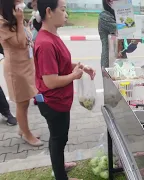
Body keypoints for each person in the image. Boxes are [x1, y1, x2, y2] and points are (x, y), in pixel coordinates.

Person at [33, 0, 95, 179]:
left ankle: (59, 164)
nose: (66, 14)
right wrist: (73, 76)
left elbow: (62, 65)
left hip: (59, 100)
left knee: (59, 138)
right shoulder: (45, 43)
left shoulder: (52, 36)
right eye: (63, 10)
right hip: (53, 102)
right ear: (49, 12)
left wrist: (81, 68)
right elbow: (50, 80)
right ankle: (60, 175)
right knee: (58, 139)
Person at [0, 0, 43, 146]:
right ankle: (27, 134)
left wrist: (20, 21)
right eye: (18, 1)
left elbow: (26, 38)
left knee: (26, 99)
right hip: (15, 69)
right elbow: (19, 42)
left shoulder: (14, 17)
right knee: (21, 102)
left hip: (25, 64)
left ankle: (22, 129)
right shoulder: (2, 22)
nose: (22, 3)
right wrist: (19, 21)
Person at [98, 0, 137, 68]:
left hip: (122, 61)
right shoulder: (104, 16)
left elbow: (129, 48)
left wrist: (135, 41)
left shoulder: (121, 17)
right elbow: (120, 30)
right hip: (110, 61)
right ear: (109, 2)